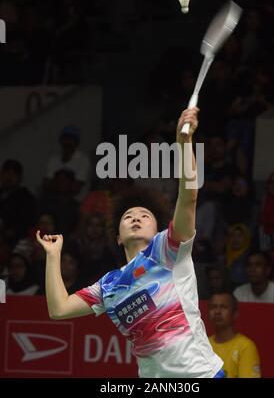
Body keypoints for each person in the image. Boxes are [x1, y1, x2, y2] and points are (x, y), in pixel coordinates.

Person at [36, 107, 224, 378]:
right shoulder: (110, 285)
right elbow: (59, 309)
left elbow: (189, 195)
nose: (135, 218)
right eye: (128, 217)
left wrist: (184, 144)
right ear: (117, 236)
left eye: (144, 216)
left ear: (159, 229)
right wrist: (53, 255)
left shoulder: (168, 251)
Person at [208, 292, 261, 378]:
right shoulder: (204, 345)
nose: (217, 311)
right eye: (213, 307)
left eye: (223, 307)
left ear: (235, 314)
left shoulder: (245, 346)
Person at [43, 126, 91, 200]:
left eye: (71, 139)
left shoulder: (83, 160)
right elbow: (46, 184)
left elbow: (76, 189)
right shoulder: (53, 159)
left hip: (78, 204)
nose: (68, 142)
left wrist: (55, 184)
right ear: (61, 141)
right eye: (65, 139)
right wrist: (66, 186)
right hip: (55, 202)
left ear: (77, 142)